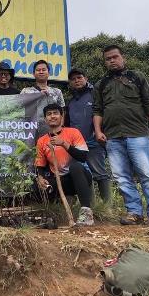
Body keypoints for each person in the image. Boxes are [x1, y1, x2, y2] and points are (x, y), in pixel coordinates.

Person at [93, 45, 149, 228]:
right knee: (121, 177)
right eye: (108, 58)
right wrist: (98, 131)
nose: (112, 60)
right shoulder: (101, 84)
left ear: (122, 57)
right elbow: (97, 110)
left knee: (146, 174)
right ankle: (134, 212)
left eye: (115, 57)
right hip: (112, 136)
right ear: (105, 61)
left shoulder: (137, 77)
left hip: (138, 133)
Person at [35, 104, 94, 226]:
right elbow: (40, 165)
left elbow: (82, 157)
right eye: (49, 114)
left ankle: (86, 213)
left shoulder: (73, 132)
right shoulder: (42, 140)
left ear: (62, 116)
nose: (52, 116)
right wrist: (40, 178)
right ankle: (52, 214)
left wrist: (63, 143)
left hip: (79, 178)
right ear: (45, 119)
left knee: (75, 167)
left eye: (55, 113)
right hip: (58, 180)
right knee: (36, 183)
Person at [65, 68, 112, 203]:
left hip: (93, 142)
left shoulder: (95, 94)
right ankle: (91, 207)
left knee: (100, 173)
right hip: (76, 146)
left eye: (79, 77)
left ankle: (107, 208)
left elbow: (104, 115)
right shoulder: (71, 101)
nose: (76, 81)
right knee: (83, 175)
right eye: (73, 79)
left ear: (86, 78)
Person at [20, 60, 65, 136]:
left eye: (44, 70)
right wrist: (37, 96)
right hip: (30, 131)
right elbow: (18, 108)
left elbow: (62, 111)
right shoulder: (25, 91)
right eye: (38, 70)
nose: (41, 72)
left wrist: (61, 127)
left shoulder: (57, 92)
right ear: (34, 74)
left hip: (52, 131)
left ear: (48, 73)